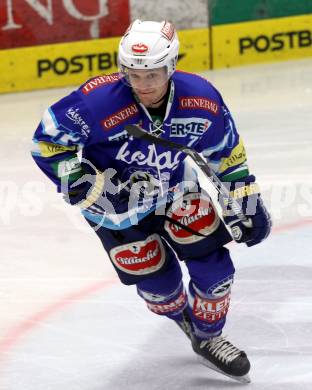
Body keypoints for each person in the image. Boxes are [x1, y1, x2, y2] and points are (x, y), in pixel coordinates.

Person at [31, 20, 271, 382]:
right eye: (133, 75)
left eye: (153, 75)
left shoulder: (201, 99)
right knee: (160, 291)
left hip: (176, 192)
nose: (143, 85)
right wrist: (90, 187)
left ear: (171, 66)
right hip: (114, 213)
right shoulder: (95, 101)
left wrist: (244, 196)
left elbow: (226, 151)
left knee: (216, 271)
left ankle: (209, 337)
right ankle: (183, 321)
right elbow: (47, 143)